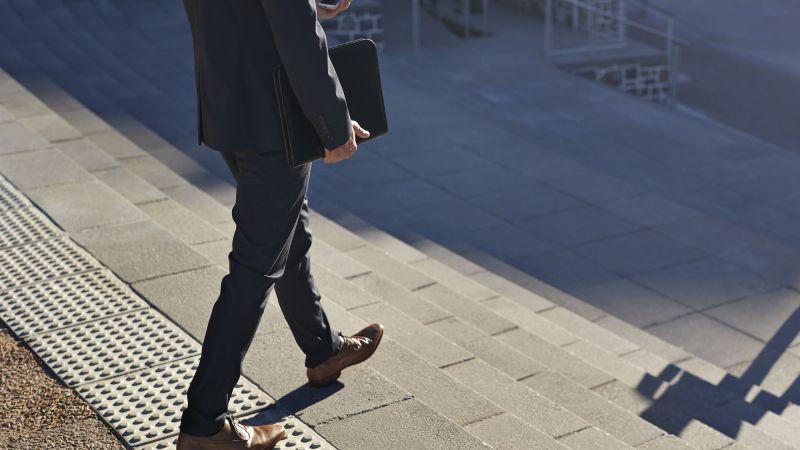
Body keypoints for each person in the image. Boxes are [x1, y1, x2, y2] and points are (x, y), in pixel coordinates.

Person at [177, 0, 384, 448]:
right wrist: (333, 124)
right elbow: (296, 32)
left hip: (228, 101)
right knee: (254, 268)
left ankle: (323, 350)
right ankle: (203, 423)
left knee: (288, 232)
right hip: (272, 117)